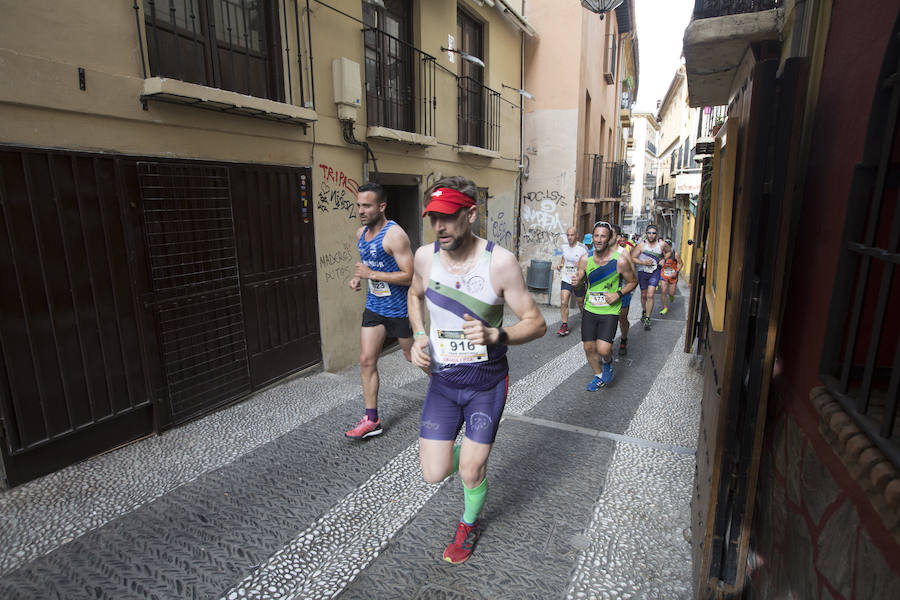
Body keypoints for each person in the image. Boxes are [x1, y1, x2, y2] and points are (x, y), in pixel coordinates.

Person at [408, 176, 546, 564]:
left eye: (449, 217)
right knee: (434, 473)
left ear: (470, 214)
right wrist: (419, 335)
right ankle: (469, 456)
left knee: (470, 470)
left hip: (486, 383)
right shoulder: (424, 257)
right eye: (434, 218)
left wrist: (495, 334)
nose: (440, 227)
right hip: (443, 381)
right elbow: (414, 294)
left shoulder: (500, 263)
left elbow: (536, 323)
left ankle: (468, 524)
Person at [346, 182, 414, 440]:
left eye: (367, 205)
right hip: (375, 307)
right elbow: (367, 262)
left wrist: (371, 274)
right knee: (366, 360)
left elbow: (409, 276)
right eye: (359, 205)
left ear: (381, 206)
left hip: (399, 310)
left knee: (412, 357)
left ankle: (447, 387)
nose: (361, 210)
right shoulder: (360, 234)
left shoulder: (395, 235)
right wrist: (358, 277)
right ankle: (372, 419)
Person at [574, 221, 638, 391]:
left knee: (603, 349)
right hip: (590, 308)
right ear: (592, 238)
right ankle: (598, 375)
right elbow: (579, 283)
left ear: (610, 238)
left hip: (610, 310)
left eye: (603, 236)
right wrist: (576, 282)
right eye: (596, 236)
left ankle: (608, 363)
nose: (599, 239)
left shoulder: (620, 260)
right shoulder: (585, 259)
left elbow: (633, 282)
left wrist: (618, 294)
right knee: (588, 347)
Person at [554, 226, 588, 336]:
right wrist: (561, 265)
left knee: (580, 302)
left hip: (578, 279)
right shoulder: (564, 247)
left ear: (577, 235)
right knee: (564, 301)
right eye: (568, 235)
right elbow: (564, 258)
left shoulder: (582, 248)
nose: (569, 237)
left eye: (572, 235)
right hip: (566, 278)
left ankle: (586, 321)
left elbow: (588, 263)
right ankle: (564, 325)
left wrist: (581, 265)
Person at [630, 224, 664, 331]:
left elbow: (668, 253)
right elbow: (633, 258)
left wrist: (664, 259)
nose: (651, 235)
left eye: (654, 233)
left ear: (657, 234)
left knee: (650, 295)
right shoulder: (641, 245)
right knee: (644, 295)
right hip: (642, 272)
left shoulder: (661, 244)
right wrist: (643, 262)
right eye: (649, 233)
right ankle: (644, 311)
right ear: (646, 234)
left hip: (655, 271)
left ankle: (648, 318)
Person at [612, 224, 635, 355]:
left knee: (622, 318)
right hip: (607, 292)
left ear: (619, 237)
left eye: (612, 234)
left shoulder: (624, 253)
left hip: (623, 291)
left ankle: (624, 338)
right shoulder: (601, 251)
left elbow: (633, 277)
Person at [659, 238, 682, 315]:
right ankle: (665, 307)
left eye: (668, 245)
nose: (667, 247)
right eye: (665, 245)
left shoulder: (675, 254)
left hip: (673, 276)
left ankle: (671, 296)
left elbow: (681, 263)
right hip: (664, 276)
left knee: (671, 293)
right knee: (663, 291)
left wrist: (676, 272)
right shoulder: (661, 254)